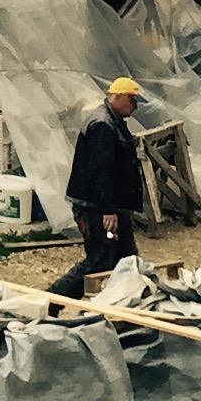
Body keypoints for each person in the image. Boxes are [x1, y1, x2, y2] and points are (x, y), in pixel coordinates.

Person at [52, 76, 147, 296]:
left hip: (111, 206)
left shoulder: (112, 122)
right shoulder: (102, 125)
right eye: (132, 100)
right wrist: (108, 209)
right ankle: (51, 299)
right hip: (95, 208)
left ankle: (129, 307)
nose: (135, 106)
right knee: (100, 260)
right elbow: (100, 170)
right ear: (119, 96)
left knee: (127, 260)